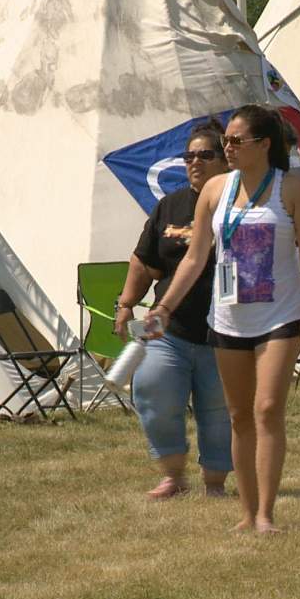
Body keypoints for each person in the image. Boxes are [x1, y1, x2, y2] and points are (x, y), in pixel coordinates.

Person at [145, 105, 300, 534]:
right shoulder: (215, 191)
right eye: (226, 140)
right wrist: (164, 307)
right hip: (228, 318)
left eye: (235, 140)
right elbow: (195, 256)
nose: (227, 146)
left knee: (266, 409)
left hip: (280, 315)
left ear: (263, 145)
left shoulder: (293, 190)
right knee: (240, 415)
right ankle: (246, 513)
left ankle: (266, 514)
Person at [115, 120, 233, 499]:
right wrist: (126, 304)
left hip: (226, 331)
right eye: (189, 156)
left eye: (205, 155)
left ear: (226, 159)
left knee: (216, 409)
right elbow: (144, 262)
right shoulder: (171, 205)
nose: (195, 162)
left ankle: (215, 482)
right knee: (151, 388)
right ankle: (172, 475)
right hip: (170, 329)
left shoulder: (241, 205)